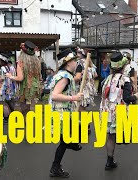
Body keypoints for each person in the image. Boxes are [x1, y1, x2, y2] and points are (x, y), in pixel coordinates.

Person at [100, 52, 138, 171]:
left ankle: (109, 161)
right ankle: (123, 139)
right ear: (123, 67)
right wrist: (136, 96)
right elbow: (127, 98)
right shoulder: (125, 80)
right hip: (118, 112)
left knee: (110, 136)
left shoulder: (107, 79)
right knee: (120, 133)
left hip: (107, 112)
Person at [49, 48, 83, 178]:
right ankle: (55, 168)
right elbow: (55, 95)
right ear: (68, 63)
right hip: (61, 113)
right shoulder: (64, 77)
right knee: (64, 142)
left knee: (74, 131)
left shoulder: (64, 75)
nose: (76, 63)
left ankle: (72, 143)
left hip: (63, 112)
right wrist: (73, 98)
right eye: (74, 60)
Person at [6, 41, 41, 116]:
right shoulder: (36, 61)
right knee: (31, 108)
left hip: (25, 89)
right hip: (34, 87)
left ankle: (27, 124)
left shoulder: (21, 62)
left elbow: (20, 78)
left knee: (24, 109)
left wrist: (10, 76)